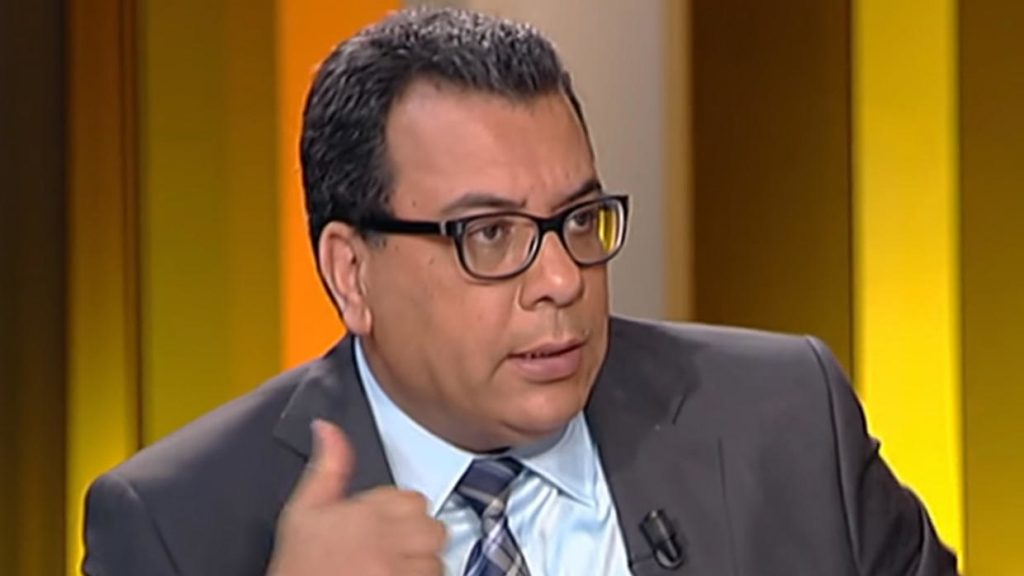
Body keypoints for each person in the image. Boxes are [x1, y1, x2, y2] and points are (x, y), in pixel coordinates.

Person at [82, 7, 957, 576]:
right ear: (352, 273)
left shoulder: (786, 422)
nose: (562, 279)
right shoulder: (174, 529)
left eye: (579, 219)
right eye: (490, 235)